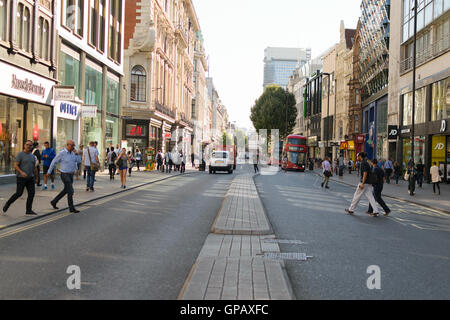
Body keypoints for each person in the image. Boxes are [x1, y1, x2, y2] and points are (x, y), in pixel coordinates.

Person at [3, 140, 38, 216]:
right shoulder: (20, 155)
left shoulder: (32, 156)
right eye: (27, 144)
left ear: (32, 147)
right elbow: (15, 165)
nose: (28, 146)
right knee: (19, 193)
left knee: (32, 193)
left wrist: (36, 177)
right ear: (24, 145)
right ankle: (8, 203)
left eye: (30, 145)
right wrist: (21, 172)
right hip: (21, 178)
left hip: (30, 178)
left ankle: (28, 210)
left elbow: (34, 167)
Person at [48, 140, 81, 213]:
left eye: (74, 145)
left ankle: (54, 201)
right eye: (72, 145)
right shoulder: (62, 153)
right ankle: (71, 208)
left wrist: (77, 154)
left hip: (71, 174)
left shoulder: (73, 153)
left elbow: (78, 161)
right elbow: (54, 161)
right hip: (64, 174)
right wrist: (49, 172)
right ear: (68, 145)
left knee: (66, 190)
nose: (73, 147)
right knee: (70, 191)